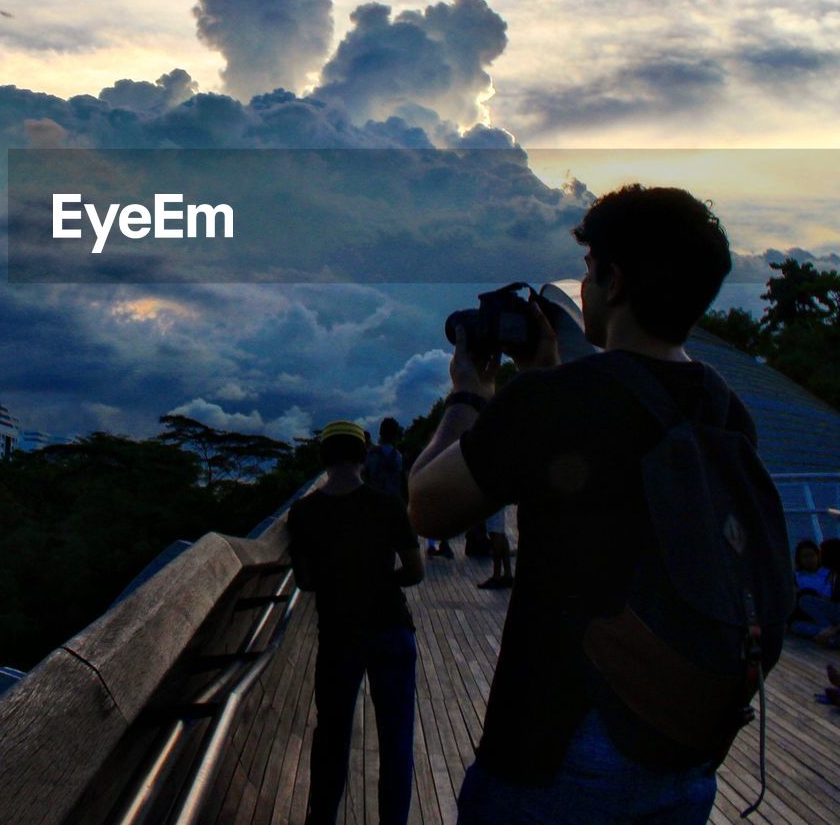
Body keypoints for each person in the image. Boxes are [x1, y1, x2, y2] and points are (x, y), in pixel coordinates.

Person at [407, 185, 787, 824]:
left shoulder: (561, 401)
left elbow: (426, 506)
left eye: (589, 271)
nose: (582, 288)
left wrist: (471, 394)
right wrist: (541, 377)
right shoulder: (725, 410)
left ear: (614, 281)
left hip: (561, 752)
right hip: (682, 751)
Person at [289, 420, 424, 825]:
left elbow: (304, 580)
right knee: (396, 740)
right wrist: (381, 581)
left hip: (338, 635)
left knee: (331, 736)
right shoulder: (387, 506)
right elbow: (415, 571)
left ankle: (323, 818)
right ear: (363, 457)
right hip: (391, 627)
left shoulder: (304, 512)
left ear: (324, 459)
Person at [365, 416, 406, 499]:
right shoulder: (398, 457)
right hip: (393, 503)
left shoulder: (370, 455)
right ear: (395, 435)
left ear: (380, 433)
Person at [478, 506, 513, 590]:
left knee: (496, 533)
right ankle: (507, 575)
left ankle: (496, 576)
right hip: (497, 500)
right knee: (500, 533)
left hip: (494, 500)